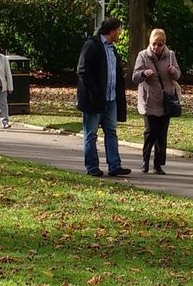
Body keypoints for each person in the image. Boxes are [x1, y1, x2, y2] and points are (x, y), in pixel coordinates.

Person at [76, 18, 131, 177]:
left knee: (111, 132)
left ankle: (115, 166)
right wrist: (94, 93)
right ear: (112, 31)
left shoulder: (112, 49)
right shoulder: (92, 45)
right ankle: (92, 166)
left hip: (111, 99)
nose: (120, 33)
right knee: (91, 134)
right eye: (119, 30)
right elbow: (83, 71)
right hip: (94, 100)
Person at [132, 28, 181, 174]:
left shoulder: (170, 55)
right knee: (150, 132)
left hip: (166, 99)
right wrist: (143, 73)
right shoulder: (143, 55)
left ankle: (158, 165)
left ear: (164, 43)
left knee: (161, 134)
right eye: (154, 44)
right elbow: (134, 77)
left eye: (160, 44)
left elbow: (178, 75)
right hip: (149, 100)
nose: (156, 47)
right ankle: (145, 161)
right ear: (150, 42)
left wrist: (173, 72)